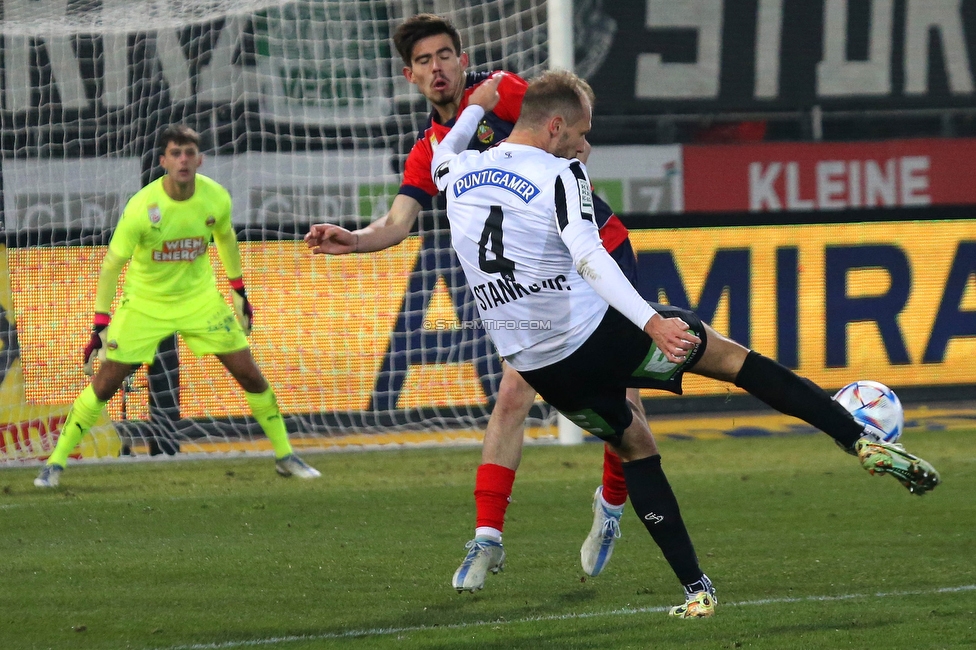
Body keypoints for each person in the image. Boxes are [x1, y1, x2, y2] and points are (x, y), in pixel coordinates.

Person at [431, 70, 940, 618]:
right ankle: (857, 439)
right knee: (731, 359)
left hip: (541, 368)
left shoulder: (460, 172)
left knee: (636, 447)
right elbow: (588, 255)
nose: (586, 143)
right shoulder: (561, 173)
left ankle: (697, 591)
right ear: (554, 127)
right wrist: (651, 322)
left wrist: (475, 107)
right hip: (597, 338)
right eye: (581, 131)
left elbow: (444, 153)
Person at [304, 13, 631, 588]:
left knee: (627, 394)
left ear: (460, 58)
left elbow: (567, 125)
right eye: (425, 61)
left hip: (596, 247)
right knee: (511, 394)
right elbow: (398, 223)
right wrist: (353, 240)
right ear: (410, 75)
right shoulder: (429, 148)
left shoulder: (503, 92)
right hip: (535, 277)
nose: (438, 68)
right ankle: (486, 540)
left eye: (445, 55)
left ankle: (610, 508)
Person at [34, 125, 320, 488]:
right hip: (145, 304)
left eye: (189, 153)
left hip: (199, 301)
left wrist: (239, 291)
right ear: (163, 161)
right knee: (105, 384)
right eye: (175, 153)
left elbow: (226, 238)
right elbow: (111, 265)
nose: (183, 160)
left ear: (199, 159)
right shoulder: (142, 208)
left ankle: (285, 455)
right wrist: (100, 325)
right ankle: (55, 463)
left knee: (250, 374)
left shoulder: (215, 198)